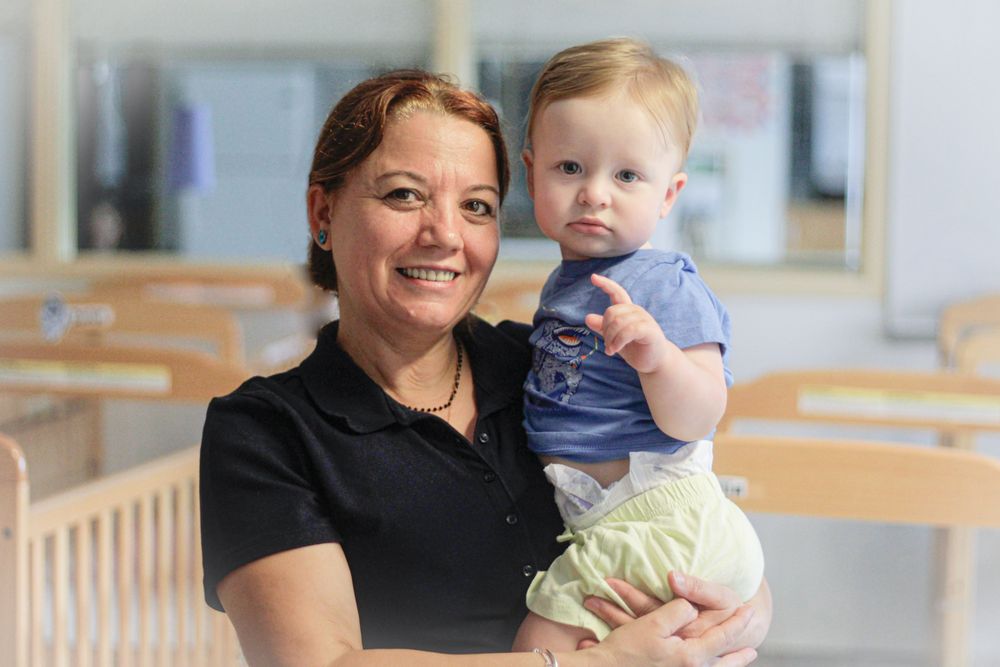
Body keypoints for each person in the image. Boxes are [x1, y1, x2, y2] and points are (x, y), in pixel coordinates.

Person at [199, 68, 771, 666]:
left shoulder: (549, 368)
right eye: (404, 194)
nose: (445, 233)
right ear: (323, 210)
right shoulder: (266, 432)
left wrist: (743, 614)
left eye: (477, 206)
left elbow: (697, 522)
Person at [512, 38, 765, 652]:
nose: (595, 192)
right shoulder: (566, 284)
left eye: (626, 175)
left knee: (534, 649)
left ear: (669, 194)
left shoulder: (661, 284)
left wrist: (658, 358)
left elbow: (702, 413)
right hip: (612, 519)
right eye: (570, 167)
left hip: (657, 516)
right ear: (531, 171)